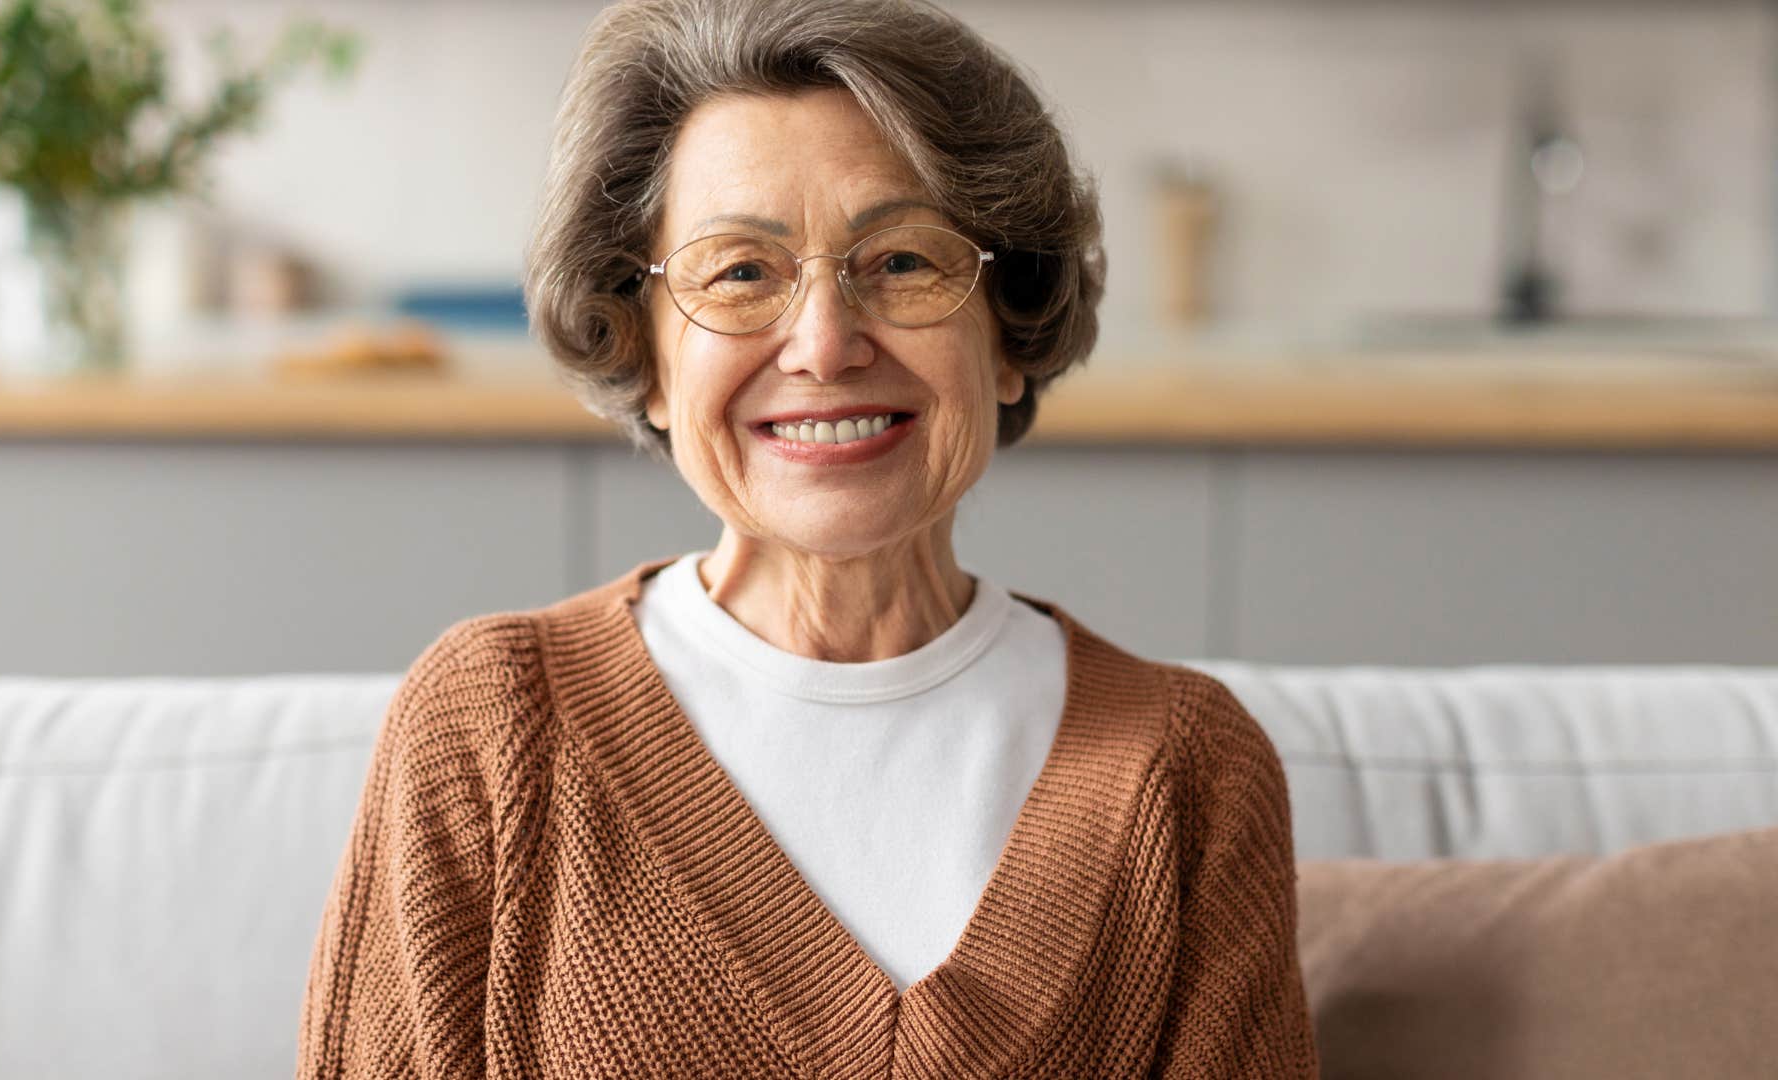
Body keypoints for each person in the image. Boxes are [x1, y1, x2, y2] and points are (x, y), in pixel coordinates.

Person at [297, 0, 1318, 1075]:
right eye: (740, 272)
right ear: (644, 352)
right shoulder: (491, 732)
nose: (825, 344)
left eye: (904, 263)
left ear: (1009, 332)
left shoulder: (1189, 775)